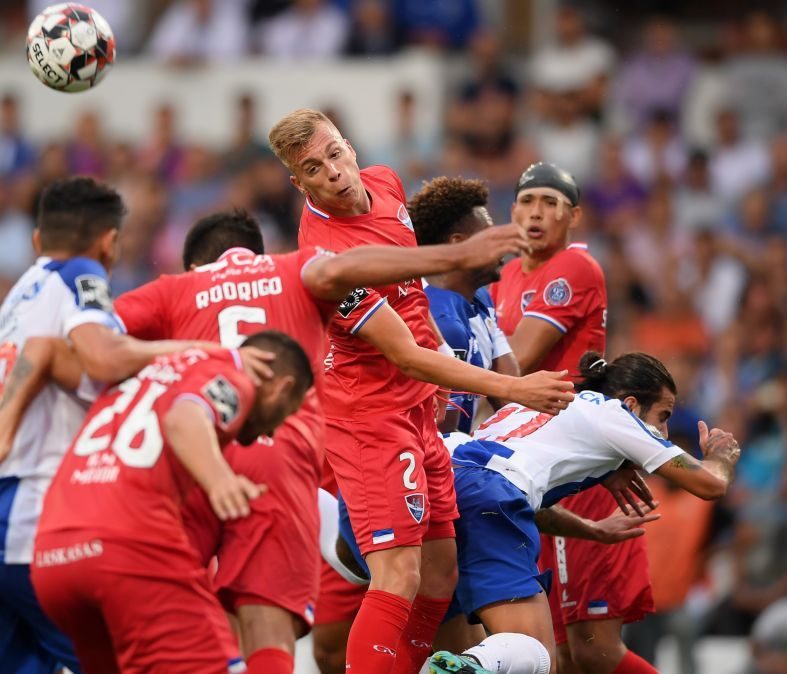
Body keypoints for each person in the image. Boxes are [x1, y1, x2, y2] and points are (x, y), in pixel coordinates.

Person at [0, 207, 535, 674]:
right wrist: (453, 257)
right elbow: (356, 288)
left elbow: (63, 351)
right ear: (256, 253)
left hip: (140, 487)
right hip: (273, 456)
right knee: (276, 621)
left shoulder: (172, 292)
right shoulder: (294, 271)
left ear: (195, 264)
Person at [268, 108, 574, 674]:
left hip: (414, 412)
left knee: (440, 571)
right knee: (399, 574)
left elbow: (411, 297)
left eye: (335, 153)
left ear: (350, 146)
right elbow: (405, 354)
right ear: (299, 182)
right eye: (314, 168)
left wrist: (434, 345)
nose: (332, 172)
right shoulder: (329, 262)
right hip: (367, 420)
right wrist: (514, 387)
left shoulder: (385, 182)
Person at [0, 177, 218, 674]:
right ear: (109, 243)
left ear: (36, 240)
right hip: (33, 525)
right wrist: (204, 351)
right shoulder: (78, 275)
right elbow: (103, 356)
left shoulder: (19, 294)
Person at [433, 351, 741, 672]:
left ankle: (462, 662)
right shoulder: (616, 414)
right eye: (663, 416)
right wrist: (721, 456)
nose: (663, 432)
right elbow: (710, 484)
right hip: (490, 494)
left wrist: (591, 529)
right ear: (633, 404)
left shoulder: (542, 405)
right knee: (537, 656)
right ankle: (467, 666)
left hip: (441, 484)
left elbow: (514, 491)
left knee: (441, 642)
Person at [30, 333, 313, 674]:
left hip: (52, 556)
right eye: (289, 412)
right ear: (282, 388)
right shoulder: (235, 377)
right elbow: (184, 419)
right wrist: (219, 479)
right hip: (126, 548)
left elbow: (42, 347)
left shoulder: (140, 370)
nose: (278, 425)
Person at [489, 163, 656, 674]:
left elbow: (514, 362)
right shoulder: (509, 272)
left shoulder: (574, 268)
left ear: (574, 215)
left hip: (574, 455)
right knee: (556, 652)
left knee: (592, 648)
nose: (536, 213)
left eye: (550, 202)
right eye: (527, 201)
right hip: (532, 459)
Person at [409, 175, 520, 434]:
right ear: (459, 243)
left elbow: (511, 397)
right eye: (488, 237)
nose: (500, 245)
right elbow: (444, 436)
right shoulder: (442, 323)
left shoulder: (480, 297)